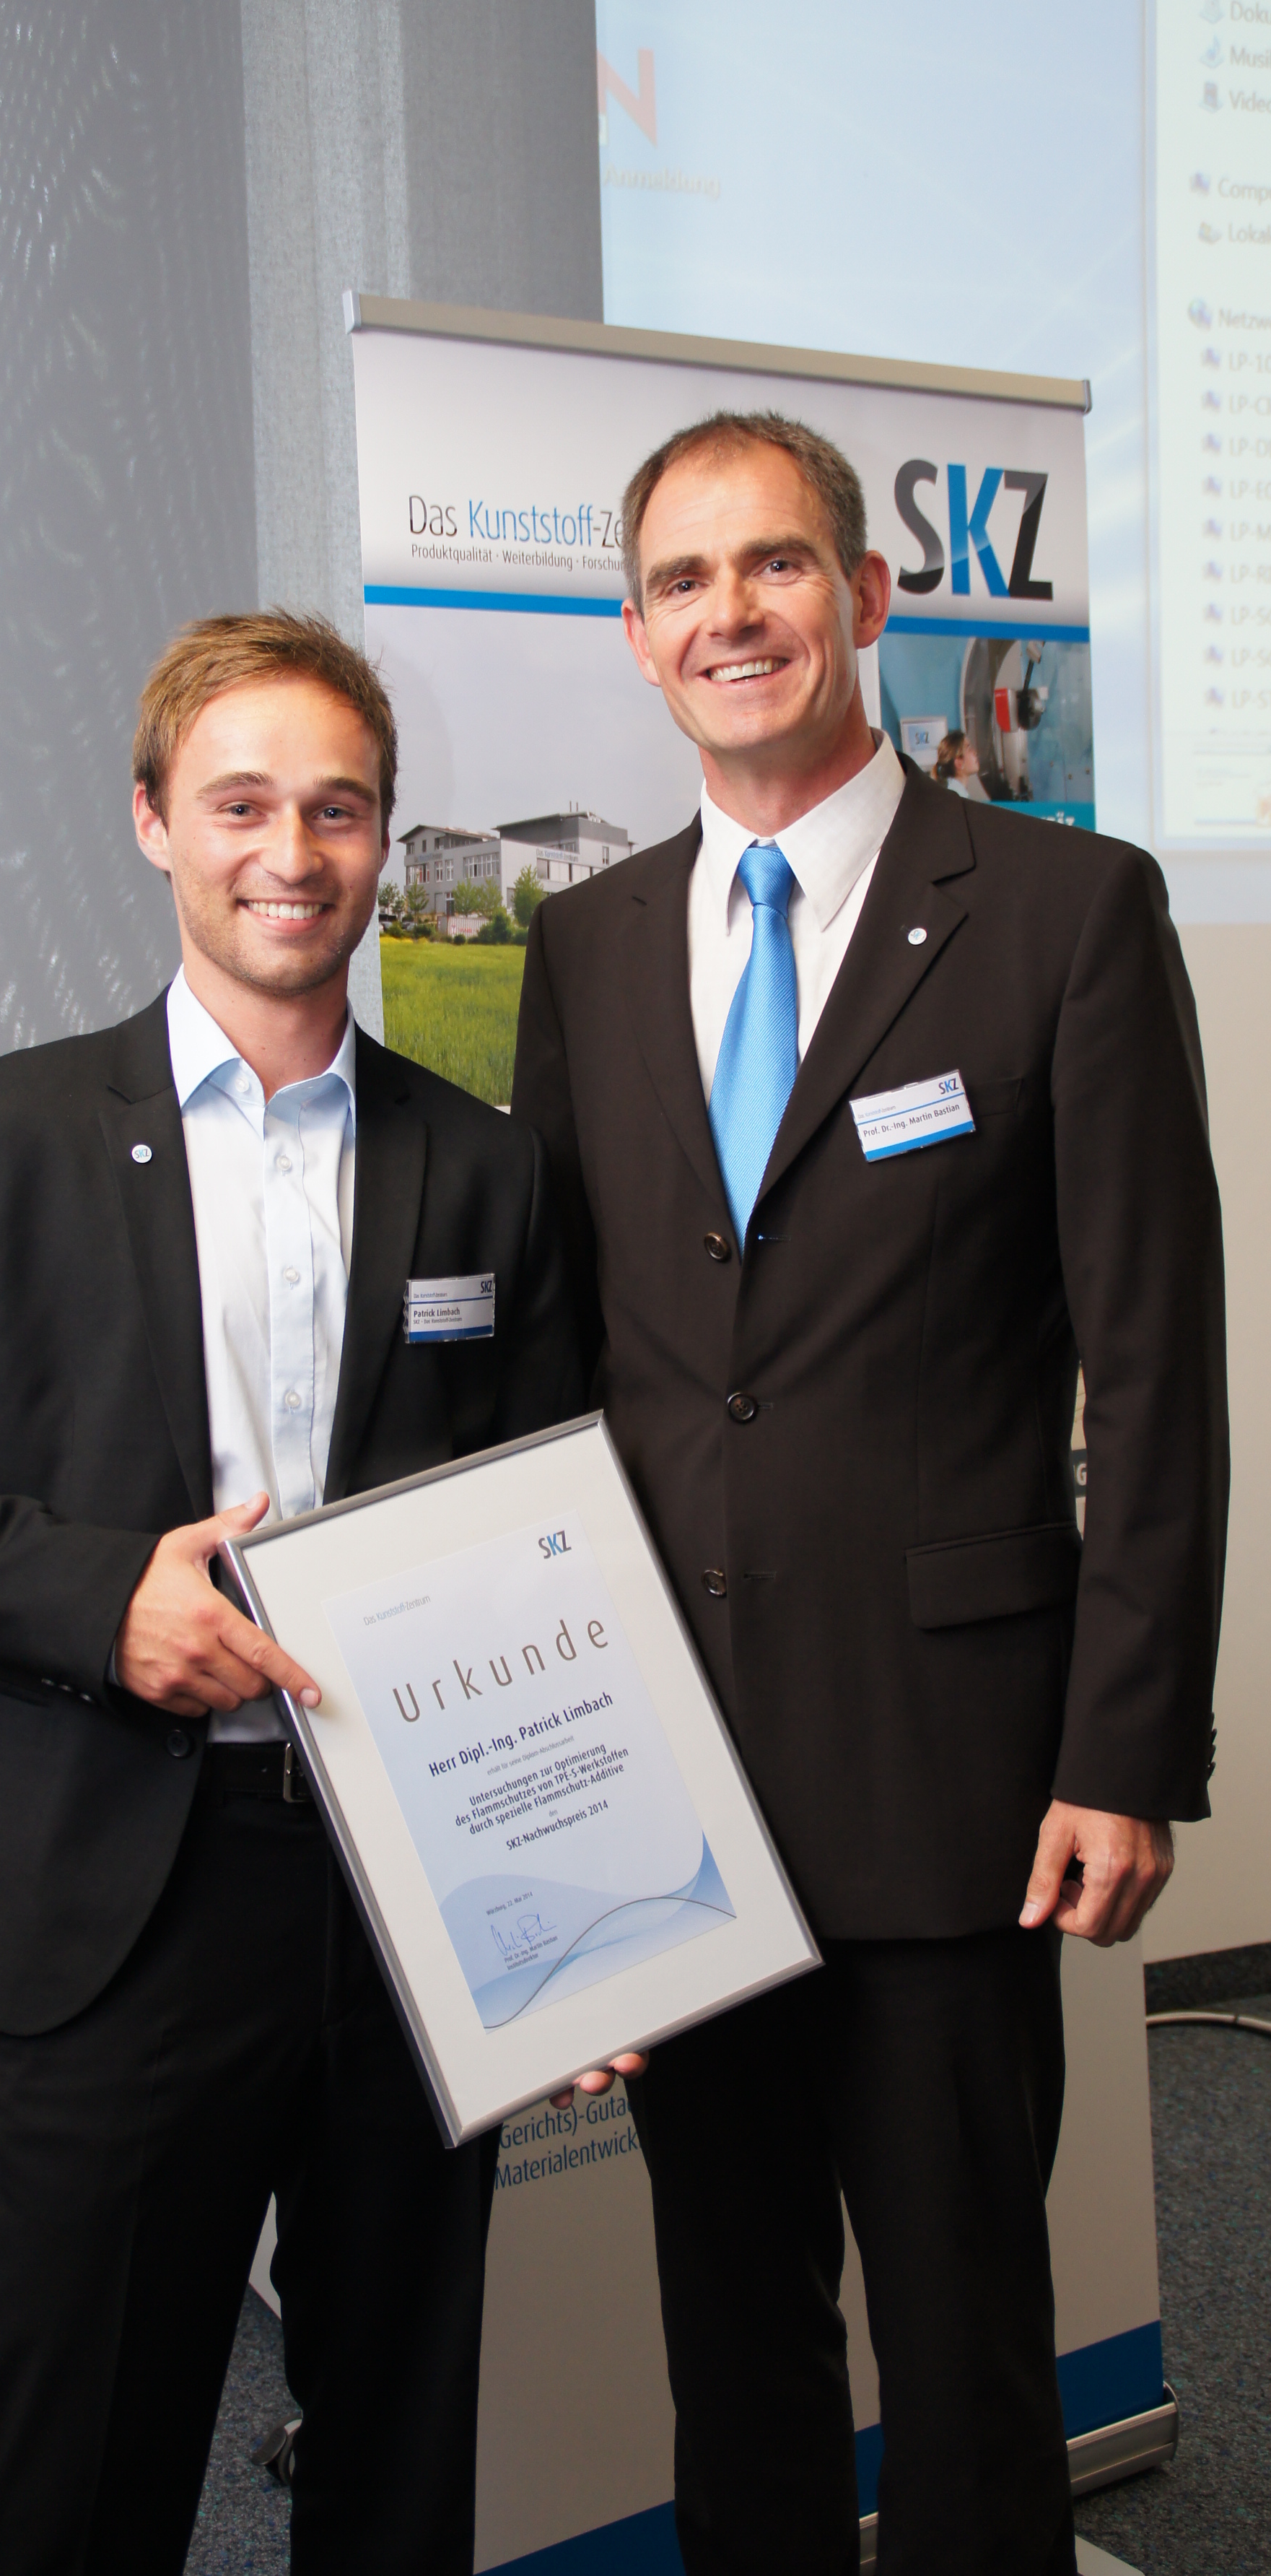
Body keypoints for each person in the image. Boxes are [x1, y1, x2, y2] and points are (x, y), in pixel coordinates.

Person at [511, 411, 1228, 2576]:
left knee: (966, 2356)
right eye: (682, 580)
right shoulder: (585, 942)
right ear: (633, 632)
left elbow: (1155, 1367)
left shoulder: (1063, 911)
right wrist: (556, 1804)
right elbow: (565, 1383)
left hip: (955, 1784)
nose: (729, 614)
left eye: (774, 565)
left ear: (868, 592)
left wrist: (1125, 1747)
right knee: (730, 2349)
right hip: (675, 1809)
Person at [0, 609, 580, 2576]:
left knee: (399, 2451)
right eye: (241, 803)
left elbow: (545, 1535)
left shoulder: (485, 1167)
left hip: (412, 1893)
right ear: (152, 819)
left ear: (382, 836)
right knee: (73, 2474)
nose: (290, 852)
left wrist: (576, 1916)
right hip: (122, 1889)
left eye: (337, 808)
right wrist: (106, 1604)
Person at [934, 724, 987, 797]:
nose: (975, 753)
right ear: (959, 762)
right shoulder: (956, 796)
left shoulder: (953, 792)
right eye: (969, 749)